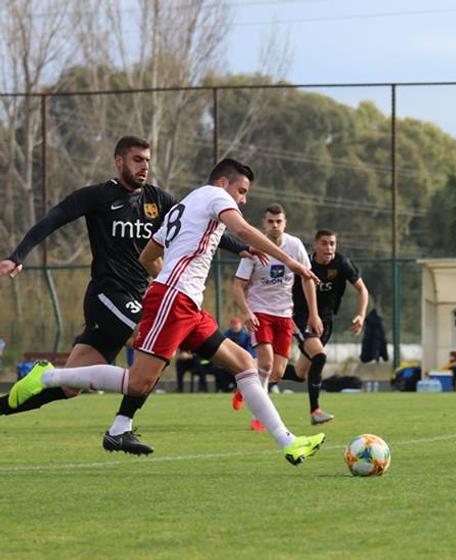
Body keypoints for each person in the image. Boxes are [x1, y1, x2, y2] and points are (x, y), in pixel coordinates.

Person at [8, 158, 326, 466]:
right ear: (223, 182)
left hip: (185, 302)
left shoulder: (184, 205)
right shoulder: (215, 196)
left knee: (244, 363)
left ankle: (288, 441)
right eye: (241, 191)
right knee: (138, 383)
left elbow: (148, 255)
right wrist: (291, 262)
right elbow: (241, 230)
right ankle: (47, 376)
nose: (242, 200)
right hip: (174, 300)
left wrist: (168, 279)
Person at [0, 136, 256, 455]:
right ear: (118, 161)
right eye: (137, 159)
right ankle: (121, 426)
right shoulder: (98, 196)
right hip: (109, 295)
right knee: (155, 342)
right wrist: (18, 255)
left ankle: (9, 404)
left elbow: (201, 220)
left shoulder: (156, 199)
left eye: (147, 160)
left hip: (141, 295)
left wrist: (242, 247)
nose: (144, 166)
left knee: (69, 386)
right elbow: (54, 217)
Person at [230, 204, 318, 431]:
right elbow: (238, 285)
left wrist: (313, 314)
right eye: (270, 221)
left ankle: (244, 384)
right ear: (264, 223)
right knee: (266, 362)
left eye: (279, 221)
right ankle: (258, 417)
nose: (275, 226)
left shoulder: (295, 245)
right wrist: (247, 312)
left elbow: (307, 278)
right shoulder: (254, 247)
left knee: (277, 371)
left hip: (284, 314)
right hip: (260, 311)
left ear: (285, 223)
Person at [290, 229, 368, 424]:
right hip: (302, 319)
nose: (329, 247)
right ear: (315, 245)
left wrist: (361, 315)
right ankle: (315, 411)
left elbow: (362, 290)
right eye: (324, 243)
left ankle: (256, 373)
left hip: (326, 322)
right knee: (320, 356)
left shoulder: (341, 263)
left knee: (300, 374)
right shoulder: (304, 264)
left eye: (332, 243)